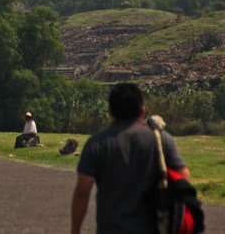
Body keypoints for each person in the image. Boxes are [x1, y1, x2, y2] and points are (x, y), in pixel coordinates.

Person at [71, 83, 191, 234]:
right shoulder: (161, 140)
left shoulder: (97, 143)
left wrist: (75, 230)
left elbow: (83, 190)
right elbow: (183, 179)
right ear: (142, 110)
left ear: (110, 111)